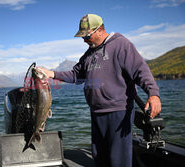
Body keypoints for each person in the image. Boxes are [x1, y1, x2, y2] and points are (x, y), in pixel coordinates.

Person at [39, 14, 161, 167]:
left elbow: (140, 70)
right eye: (82, 37)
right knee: (100, 158)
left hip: (119, 112)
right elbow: (76, 75)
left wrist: (153, 94)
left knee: (119, 160)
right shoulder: (89, 54)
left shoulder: (121, 45)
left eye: (86, 36)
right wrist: (52, 74)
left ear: (99, 30)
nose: (84, 40)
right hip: (96, 113)